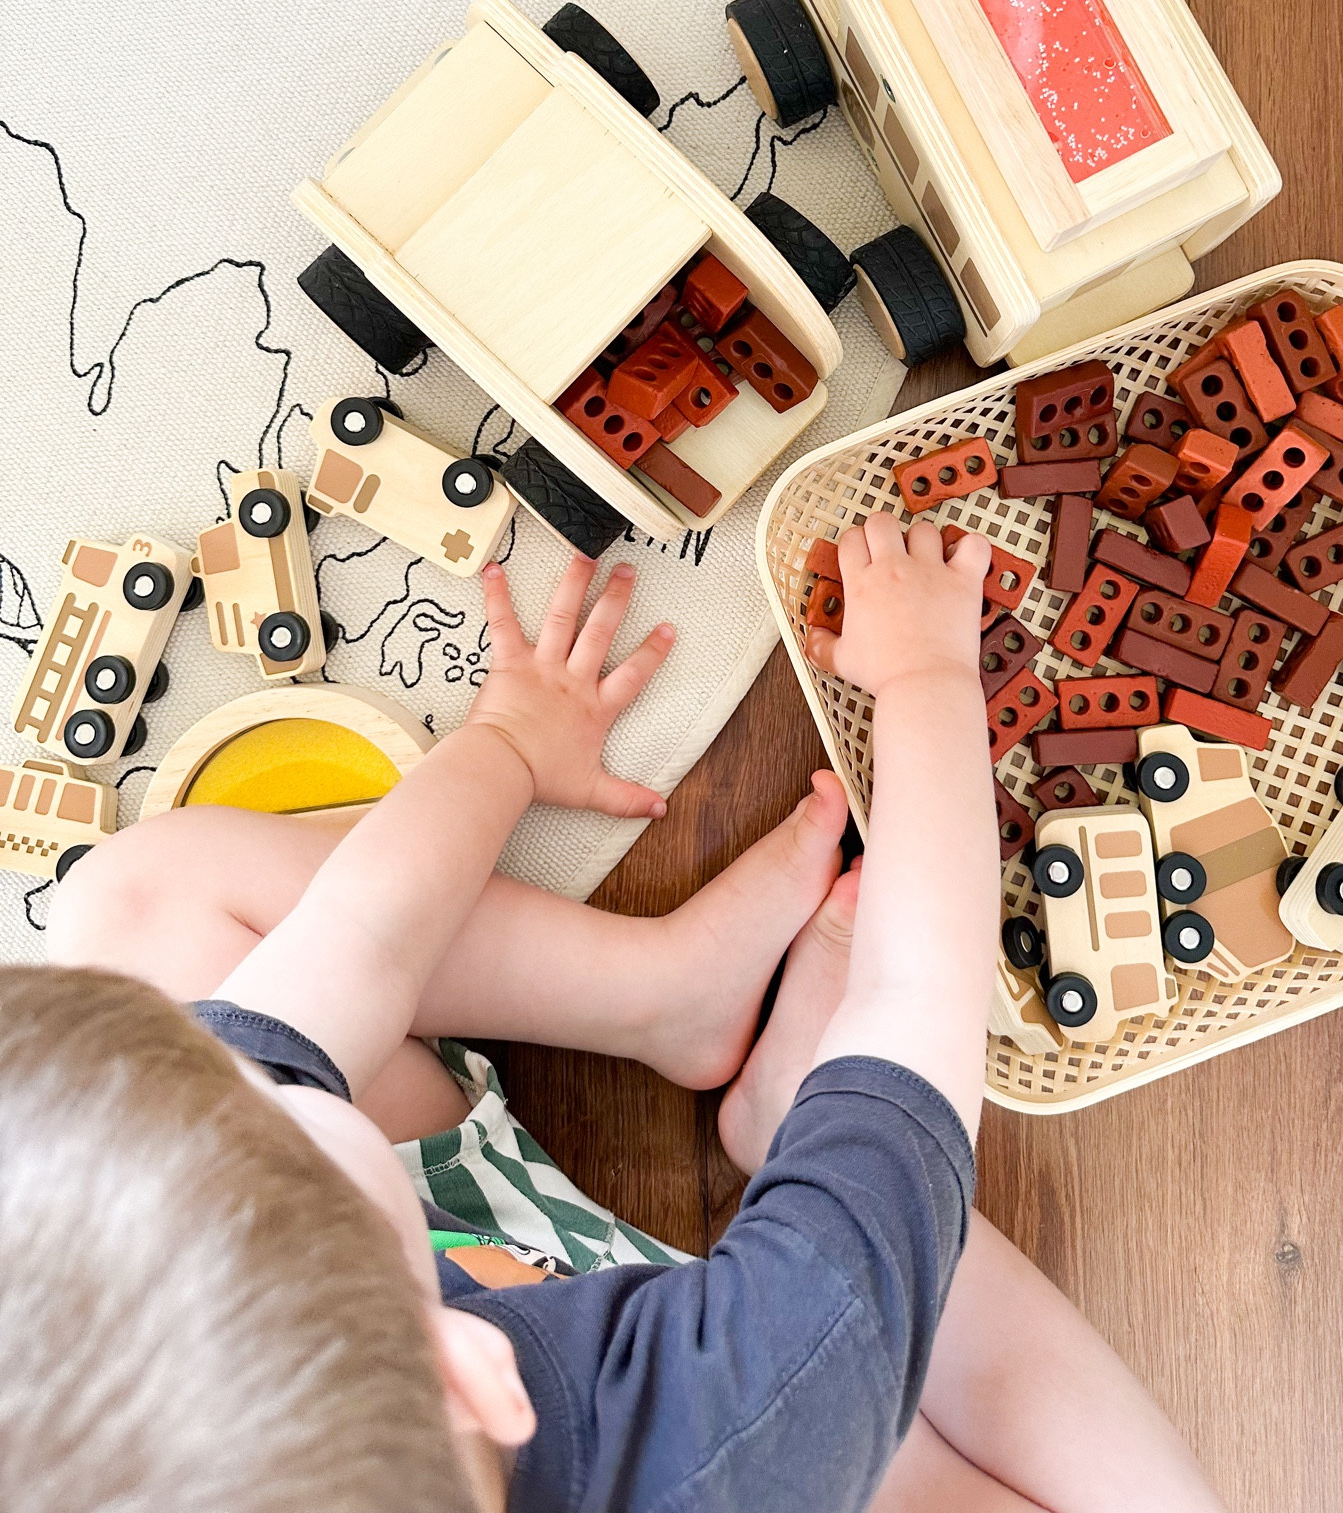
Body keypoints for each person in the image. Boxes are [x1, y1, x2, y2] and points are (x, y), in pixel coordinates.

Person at [7, 528, 1227, 1512]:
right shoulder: (747, 1413)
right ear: (470, 1367)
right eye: (285, 1113)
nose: (270, 1074)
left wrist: (508, 743)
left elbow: (368, 935)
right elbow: (921, 1001)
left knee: (132, 898)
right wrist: (922, 677)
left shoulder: (215, 1180)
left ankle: (667, 992)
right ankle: (795, 1113)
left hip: (491, 1298)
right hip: (776, 1432)